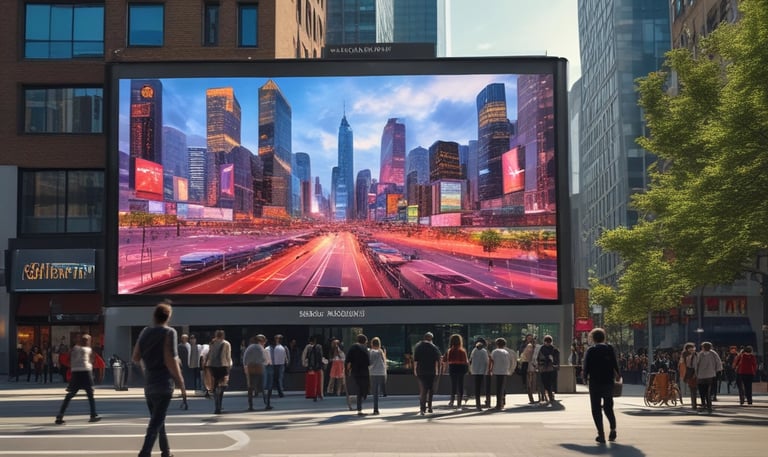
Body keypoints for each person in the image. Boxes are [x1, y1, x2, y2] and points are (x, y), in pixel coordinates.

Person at [132, 302, 187, 457]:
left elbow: (135, 357)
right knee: (156, 422)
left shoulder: (145, 332)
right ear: (168, 317)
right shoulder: (169, 332)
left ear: (154, 316)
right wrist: (181, 382)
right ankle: (144, 452)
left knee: (158, 419)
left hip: (149, 384)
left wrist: (146, 369)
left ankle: (166, 451)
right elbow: (170, 359)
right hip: (164, 384)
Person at [582, 327, 620, 444]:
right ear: (604, 337)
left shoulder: (591, 350)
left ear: (593, 338)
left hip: (595, 382)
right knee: (608, 407)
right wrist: (618, 374)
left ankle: (601, 434)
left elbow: (586, 366)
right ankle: (613, 429)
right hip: (608, 382)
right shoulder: (609, 349)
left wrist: (584, 377)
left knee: (596, 409)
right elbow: (615, 363)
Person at [55, 334, 101, 425]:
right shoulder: (88, 350)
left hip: (76, 373)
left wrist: (73, 366)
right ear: (88, 341)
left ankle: (60, 415)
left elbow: (68, 360)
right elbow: (92, 361)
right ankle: (93, 415)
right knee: (90, 394)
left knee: (70, 394)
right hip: (86, 372)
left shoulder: (74, 349)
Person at [413, 332, 442, 415]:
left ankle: (422, 408)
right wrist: (437, 371)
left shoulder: (418, 347)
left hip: (421, 371)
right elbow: (438, 360)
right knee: (430, 389)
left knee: (423, 389)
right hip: (431, 371)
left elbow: (415, 360)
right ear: (431, 339)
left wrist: (415, 370)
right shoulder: (434, 347)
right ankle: (429, 407)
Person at [205, 329, 233, 414]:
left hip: (212, 366)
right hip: (222, 365)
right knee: (222, 386)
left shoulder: (212, 343)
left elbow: (209, 354)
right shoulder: (226, 343)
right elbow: (228, 356)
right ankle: (219, 405)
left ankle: (216, 405)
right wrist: (229, 366)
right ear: (223, 335)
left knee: (215, 385)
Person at [346, 334, 371, 416]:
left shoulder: (353, 347)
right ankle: (360, 403)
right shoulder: (365, 349)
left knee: (359, 389)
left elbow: (348, 360)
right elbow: (368, 362)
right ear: (365, 341)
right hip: (364, 371)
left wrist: (348, 370)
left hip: (356, 371)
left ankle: (359, 406)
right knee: (364, 388)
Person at [694, 341, 722, 414]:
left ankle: (703, 404)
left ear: (703, 347)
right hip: (710, 375)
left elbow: (696, 364)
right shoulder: (714, 354)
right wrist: (717, 371)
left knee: (702, 391)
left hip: (701, 376)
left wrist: (696, 373)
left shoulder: (700, 354)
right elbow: (718, 363)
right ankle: (709, 405)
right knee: (708, 391)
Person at [242, 335, 268, 411]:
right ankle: (266, 403)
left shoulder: (249, 348)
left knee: (250, 387)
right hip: (259, 367)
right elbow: (264, 359)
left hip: (250, 367)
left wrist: (245, 367)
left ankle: (250, 405)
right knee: (262, 387)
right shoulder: (260, 348)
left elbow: (245, 358)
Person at [489, 337, 515, 409]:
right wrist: (509, 370)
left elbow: (491, 361)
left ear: (497, 344)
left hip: (496, 371)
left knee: (498, 388)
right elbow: (509, 362)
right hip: (504, 372)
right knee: (502, 387)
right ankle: (502, 402)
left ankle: (498, 404)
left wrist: (490, 370)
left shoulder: (494, 352)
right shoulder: (506, 352)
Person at [445, 333, 469, 409]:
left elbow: (447, 360)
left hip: (453, 368)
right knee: (460, 385)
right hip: (461, 368)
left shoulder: (450, 350)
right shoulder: (462, 351)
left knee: (453, 385)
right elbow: (466, 361)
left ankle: (452, 401)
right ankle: (459, 403)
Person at [535, 335, 560, 403]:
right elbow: (557, 360)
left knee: (547, 382)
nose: (548, 343)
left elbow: (538, 358)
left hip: (545, 368)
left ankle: (549, 394)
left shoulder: (542, 348)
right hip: (549, 368)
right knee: (548, 382)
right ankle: (549, 394)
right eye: (547, 342)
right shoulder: (553, 349)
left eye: (549, 342)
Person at [469, 338, 490, 410]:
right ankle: (483, 403)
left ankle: (478, 404)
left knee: (477, 388)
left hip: (475, 371)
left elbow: (470, 360)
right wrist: (486, 370)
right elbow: (486, 362)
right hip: (482, 372)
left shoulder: (474, 351)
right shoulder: (484, 351)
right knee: (482, 387)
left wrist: (470, 370)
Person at [369, 337, 387, 415]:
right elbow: (384, 362)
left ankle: (375, 409)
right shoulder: (381, 352)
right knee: (379, 388)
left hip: (373, 373)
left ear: (372, 344)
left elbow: (370, 362)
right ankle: (383, 392)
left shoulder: (370, 352)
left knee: (375, 392)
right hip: (381, 372)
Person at [679, 342, 698, 410]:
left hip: (692, 374)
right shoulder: (684, 355)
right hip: (688, 374)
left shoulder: (694, 355)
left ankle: (694, 404)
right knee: (692, 389)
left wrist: (695, 374)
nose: (691, 350)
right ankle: (693, 404)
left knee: (693, 389)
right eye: (690, 348)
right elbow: (681, 365)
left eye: (692, 348)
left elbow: (696, 366)